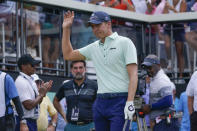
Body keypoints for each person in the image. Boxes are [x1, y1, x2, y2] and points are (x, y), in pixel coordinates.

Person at [61, 10, 138, 131]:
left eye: (98, 25)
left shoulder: (125, 43)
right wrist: (66, 29)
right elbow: (68, 55)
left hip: (120, 101)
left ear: (108, 24)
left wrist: (130, 101)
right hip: (100, 102)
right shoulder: (94, 47)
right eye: (92, 26)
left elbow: (133, 75)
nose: (95, 29)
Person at [53, 60, 98, 131]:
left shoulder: (94, 85)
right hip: (71, 126)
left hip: (89, 126)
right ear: (71, 70)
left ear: (85, 69)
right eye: (75, 68)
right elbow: (55, 101)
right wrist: (64, 116)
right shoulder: (66, 86)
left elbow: (101, 103)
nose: (78, 70)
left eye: (81, 68)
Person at [141, 54, 179, 131]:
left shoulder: (162, 79)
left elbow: (168, 101)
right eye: (146, 68)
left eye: (150, 67)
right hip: (161, 122)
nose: (148, 70)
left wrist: (150, 107)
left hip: (166, 123)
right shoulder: (154, 78)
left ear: (158, 65)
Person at [15, 54, 53, 131]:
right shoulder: (21, 81)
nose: (35, 67)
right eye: (32, 65)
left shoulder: (31, 79)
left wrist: (43, 92)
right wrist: (41, 94)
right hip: (24, 122)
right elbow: (28, 106)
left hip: (31, 121)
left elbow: (37, 102)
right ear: (23, 66)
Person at [163, 0, 187, 83]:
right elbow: (164, 15)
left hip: (179, 27)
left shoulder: (183, 2)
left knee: (179, 52)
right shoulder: (167, 1)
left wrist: (173, 9)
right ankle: (170, 61)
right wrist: (167, 8)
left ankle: (180, 76)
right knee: (167, 45)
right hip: (168, 26)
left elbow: (181, 17)